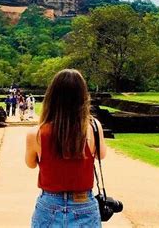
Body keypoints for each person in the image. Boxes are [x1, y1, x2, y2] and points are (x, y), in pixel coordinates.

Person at [25, 69, 107, 227]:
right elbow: (101, 155)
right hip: (84, 204)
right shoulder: (93, 127)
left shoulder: (36, 134)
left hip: (49, 205)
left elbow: (31, 164)